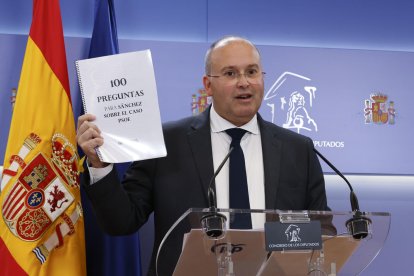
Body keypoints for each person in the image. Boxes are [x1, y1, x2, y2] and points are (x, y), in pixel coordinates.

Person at [77, 36, 329, 275]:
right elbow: (122, 222)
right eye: (231, 73)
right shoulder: (166, 143)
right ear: (208, 85)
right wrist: (100, 165)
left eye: (252, 72)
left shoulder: (298, 149)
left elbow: (322, 229)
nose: (244, 82)